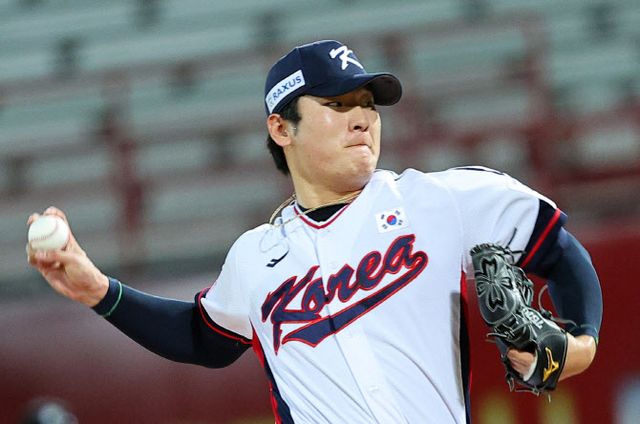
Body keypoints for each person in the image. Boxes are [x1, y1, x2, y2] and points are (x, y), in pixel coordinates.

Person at [28, 40, 602, 423]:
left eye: (368, 103)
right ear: (282, 128)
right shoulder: (255, 258)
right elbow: (203, 339)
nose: (363, 118)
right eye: (338, 103)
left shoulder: (440, 200)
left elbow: (559, 251)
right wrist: (99, 291)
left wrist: (578, 345)